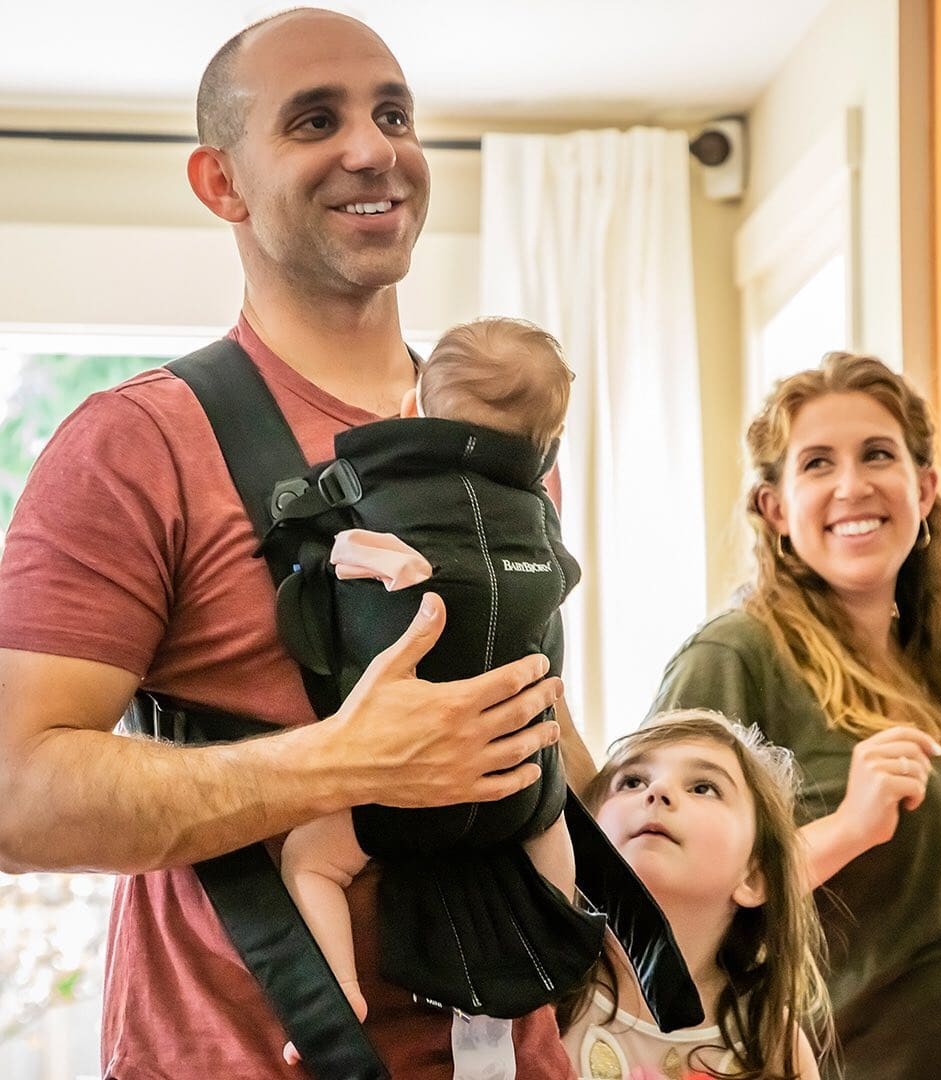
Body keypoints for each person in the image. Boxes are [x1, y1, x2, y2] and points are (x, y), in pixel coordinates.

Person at [0, 10, 577, 1079]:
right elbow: (16, 798)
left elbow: (531, 714)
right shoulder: (134, 446)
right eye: (316, 120)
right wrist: (343, 763)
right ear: (221, 183)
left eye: (392, 112)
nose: (373, 147)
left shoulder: (499, 436)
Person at [647, 351, 941, 1079]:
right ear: (776, 508)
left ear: (924, 488)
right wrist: (847, 830)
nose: (853, 485)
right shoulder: (737, 658)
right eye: (817, 464)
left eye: (878, 455)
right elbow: (659, 900)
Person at [278, 316, 581, 1062]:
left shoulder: (383, 496)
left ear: (412, 408)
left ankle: (338, 990)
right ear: (548, 446)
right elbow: (565, 582)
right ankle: (562, 929)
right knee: (552, 822)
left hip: (390, 793)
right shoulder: (538, 521)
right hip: (514, 787)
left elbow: (342, 555)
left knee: (310, 860)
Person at [559, 709, 828, 1080]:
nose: (658, 791)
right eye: (632, 781)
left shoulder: (772, 1042)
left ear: (755, 876)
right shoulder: (541, 996)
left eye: (703, 787)